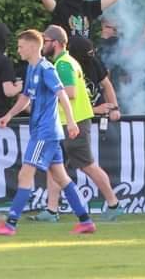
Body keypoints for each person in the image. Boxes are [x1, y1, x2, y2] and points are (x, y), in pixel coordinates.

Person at [0, 29, 95, 237]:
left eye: (21, 46)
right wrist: (8, 115)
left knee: (25, 173)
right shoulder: (31, 68)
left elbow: (62, 94)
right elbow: (25, 97)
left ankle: (10, 224)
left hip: (45, 133)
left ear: (33, 46)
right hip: (43, 132)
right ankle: (85, 221)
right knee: (62, 178)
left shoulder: (46, 68)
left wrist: (71, 121)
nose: (18, 50)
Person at [34, 26, 122, 223]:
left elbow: (70, 93)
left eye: (45, 41)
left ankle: (114, 203)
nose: (43, 45)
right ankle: (51, 210)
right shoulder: (65, 61)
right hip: (69, 122)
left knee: (88, 166)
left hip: (73, 123)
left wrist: (43, 100)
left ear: (55, 43)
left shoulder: (63, 64)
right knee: (55, 166)